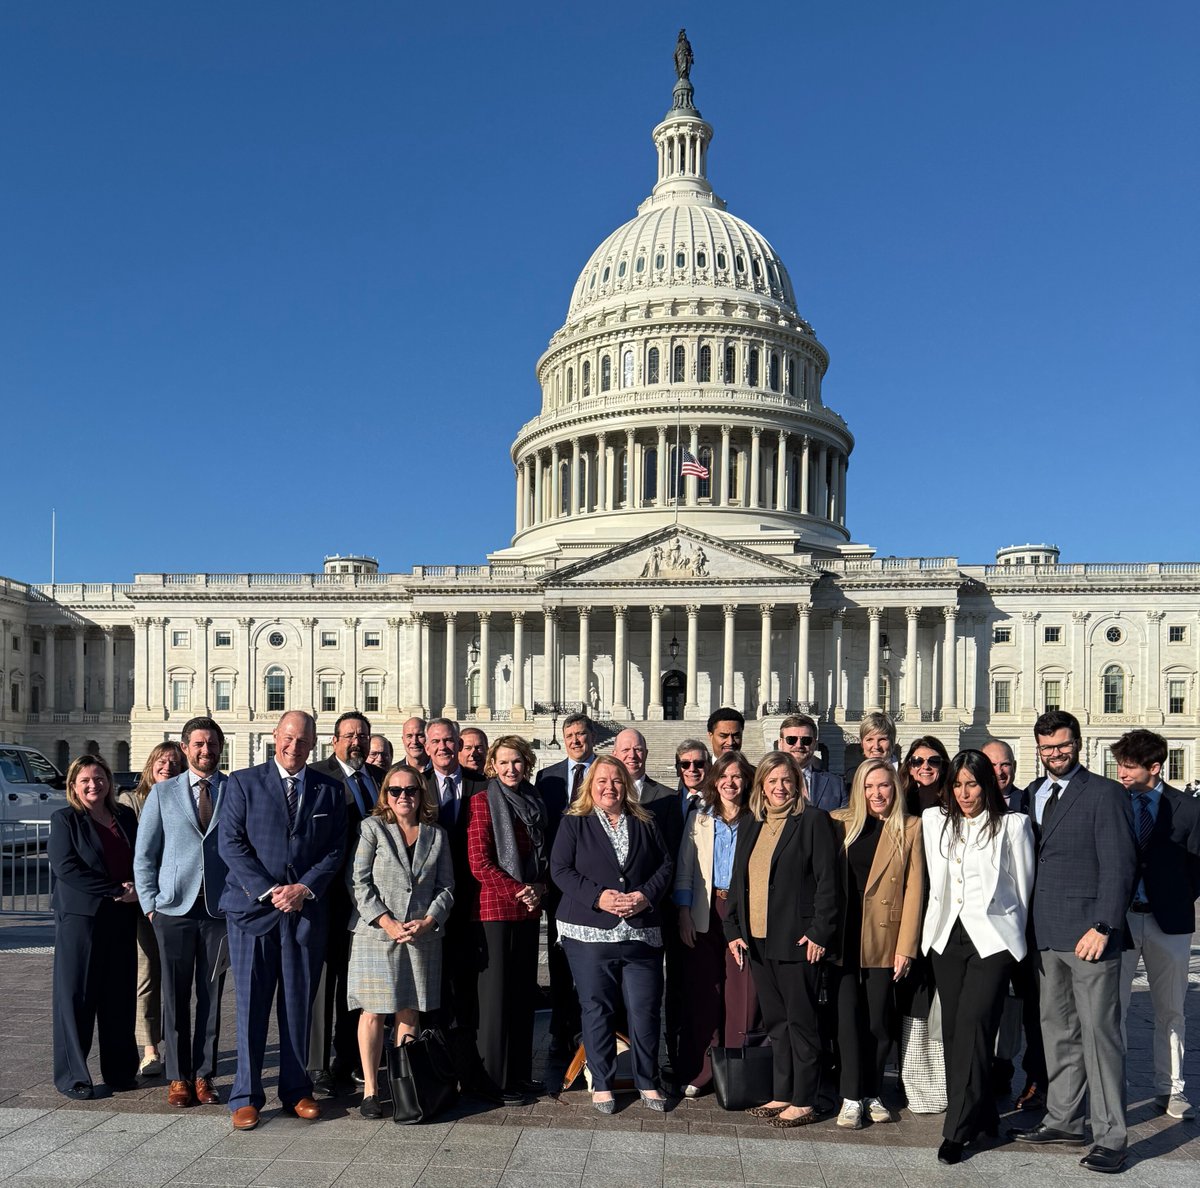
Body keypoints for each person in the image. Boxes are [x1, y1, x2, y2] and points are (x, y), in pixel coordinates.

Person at [1008, 711, 1136, 1176]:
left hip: (1089, 936)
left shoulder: (1104, 793)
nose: (1055, 755)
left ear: (1078, 744)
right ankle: (1064, 1118)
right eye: (1046, 748)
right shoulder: (1030, 795)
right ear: (1037, 749)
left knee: (1100, 1036)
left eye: (1062, 746)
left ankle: (1112, 1136)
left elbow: (1120, 865)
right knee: (1057, 1033)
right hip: (1044, 935)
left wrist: (1104, 925)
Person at [218, 710, 346, 1131]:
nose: (294, 747)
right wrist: (270, 890)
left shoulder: (329, 789)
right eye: (288, 739)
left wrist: (302, 888)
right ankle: (246, 1096)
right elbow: (231, 844)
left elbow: (335, 849)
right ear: (275, 736)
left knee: (298, 1007)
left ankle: (297, 1091)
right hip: (253, 913)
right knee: (251, 1008)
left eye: (304, 741)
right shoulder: (242, 782)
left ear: (315, 744)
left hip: (304, 913)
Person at [922, 751, 1034, 1164]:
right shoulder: (936, 823)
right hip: (946, 938)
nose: (965, 793)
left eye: (972, 784)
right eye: (957, 784)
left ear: (988, 784)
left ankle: (957, 1129)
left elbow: (1023, 888)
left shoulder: (1013, 826)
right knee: (956, 1030)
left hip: (993, 940)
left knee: (972, 1023)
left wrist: (1013, 943)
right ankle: (985, 1113)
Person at [551, 755, 673, 1112]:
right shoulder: (575, 822)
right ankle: (602, 1080)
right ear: (591, 785)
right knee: (597, 1007)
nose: (609, 787)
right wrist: (597, 897)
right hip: (589, 933)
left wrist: (645, 896)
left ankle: (647, 1080)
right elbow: (560, 869)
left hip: (639, 932)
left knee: (645, 1008)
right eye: (602, 780)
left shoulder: (644, 820)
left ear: (627, 785)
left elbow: (665, 865)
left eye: (617, 781)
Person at [724, 751, 840, 1127]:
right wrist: (734, 930)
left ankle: (805, 1098)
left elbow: (828, 883)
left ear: (798, 784)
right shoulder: (752, 825)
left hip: (797, 939)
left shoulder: (813, 821)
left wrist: (819, 931)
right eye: (772, 781)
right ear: (761, 786)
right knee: (776, 1021)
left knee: (801, 1021)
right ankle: (783, 1091)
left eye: (786, 780)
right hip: (758, 941)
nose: (779, 788)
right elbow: (740, 883)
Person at [348, 763, 454, 1118]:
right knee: (374, 1011)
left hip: (421, 936)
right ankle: (371, 1091)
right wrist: (387, 921)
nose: (403, 797)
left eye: (411, 790)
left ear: (421, 794)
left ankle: (403, 1087)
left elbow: (447, 886)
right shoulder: (373, 828)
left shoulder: (436, 835)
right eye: (395, 791)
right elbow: (359, 882)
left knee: (409, 1009)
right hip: (378, 934)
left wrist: (429, 919)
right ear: (386, 796)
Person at [133, 719, 228, 1109]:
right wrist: (151, 906)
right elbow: (145, 854)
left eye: (212, 744)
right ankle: (177, 1077)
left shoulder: (234, 788)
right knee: (174, 995)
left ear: (221, 748)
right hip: (173, 909)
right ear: (186, 747)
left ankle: (204, 1075)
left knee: (211, 996)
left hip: (219, 910)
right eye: (199, 744)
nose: (206, 750)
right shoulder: (163, 793)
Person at [829, 759, 924, 1130]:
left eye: (884, 786)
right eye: (869, 787)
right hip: (844, 936)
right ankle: (851, 1095)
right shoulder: (838, 822)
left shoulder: (910, 827)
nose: (877, 794)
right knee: (847, 1019)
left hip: (885, 936)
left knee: (878, 1020)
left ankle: (873, 1090)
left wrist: (907, 946)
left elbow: (916, 889)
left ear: (895, 789)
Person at [1112, 729, 1200, 1121]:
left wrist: (1177, 898)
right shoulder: (1114, 802)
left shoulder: (1187, 809)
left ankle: (1172, 1090)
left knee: (1170, 1010)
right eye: (1119, 764)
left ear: (1155, 767)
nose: (1121, 773)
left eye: (1129, 767)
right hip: (1122, 918)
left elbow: (1197, 866)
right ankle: (1114, 1090)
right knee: (1114, 1009)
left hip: (1170, 922)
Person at [49, 754, 140, 1099]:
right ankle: (73, 1077)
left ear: (108, 782)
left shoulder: (125, 816)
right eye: (85, 780)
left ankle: (120, 1071)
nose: (93, 785)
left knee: (118, 996)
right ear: (73, 784)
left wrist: (135, 888)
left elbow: (141, 856)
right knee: (77, 997)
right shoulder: (65, 820)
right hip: (81, 919)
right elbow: (66, 867)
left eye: (99, 778)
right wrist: (116, 889)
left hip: (121, 916)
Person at [467, 734, 549, 1101]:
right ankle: (492, 1080)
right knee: (496, 998)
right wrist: (519, 888)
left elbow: (543, 856)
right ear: (492, 767)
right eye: (503, 762)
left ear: (526, 764)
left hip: (529, 908)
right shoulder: (482, 801)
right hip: (495, 910)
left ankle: (518, 1073)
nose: (511, 768)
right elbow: (479, 862)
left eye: (517, 762)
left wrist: (537, 887)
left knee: (521, 996)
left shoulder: (535, 801)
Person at [308, 712, 385, 1095]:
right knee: (324, 981)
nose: (357, 741)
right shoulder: (319, 777)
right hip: (328, 895)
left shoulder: (375, 779)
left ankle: (347, 1057)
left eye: (363, 735)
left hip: (364, 899)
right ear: (334, 740)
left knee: (354, 984)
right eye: (349, 735)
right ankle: (318, 1064)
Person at [673, 750, 759, 1097]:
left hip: (743, 913)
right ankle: (703, 1069)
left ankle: (739, 1071)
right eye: (724, 776)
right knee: (704, 993)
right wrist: (682, 912)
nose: (730, 783)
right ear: (714, 781)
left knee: (742, 995)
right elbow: (685, 870)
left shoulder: (757, 819)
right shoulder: (700, 818)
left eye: (737, 776)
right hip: (705, 911)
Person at [614, 727, 687, 1077]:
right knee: (608, 995)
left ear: (646, 753)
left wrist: (646, 897)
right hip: (610, 911)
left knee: (647, 996)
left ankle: (649, 1065)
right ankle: (614, 1062)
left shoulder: (667, 798)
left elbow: (670, 857)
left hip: (651, 910)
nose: (632, 755)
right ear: (615, 753)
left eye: (638, 749)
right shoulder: (600, 794)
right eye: (626, 749)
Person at [981, 738, 1046, 1106]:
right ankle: (995, 1069)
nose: (999, 772)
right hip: (983, 929)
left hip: (1026, 925)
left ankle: (1036, 1079)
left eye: (1004, 764)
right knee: (989, 1005)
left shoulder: (1031, 803)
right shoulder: (964, 805)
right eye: (991, 766)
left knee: (1031, 1007)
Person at [118, 740, 185, 1079]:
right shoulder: (130, 801)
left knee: (177, 977)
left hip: (177, 899)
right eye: (162, 761)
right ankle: (149, 1049)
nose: (168, 767)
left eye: (174, 762)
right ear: (150, 764)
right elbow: (125, 850)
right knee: (147, 974)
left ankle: (178, 1045)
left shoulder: (184, 796)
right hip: (146, 901)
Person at [421, 717, 487, 1031]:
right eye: (436, 742)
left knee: (468, 983)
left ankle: (469, 1059)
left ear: (458, 745)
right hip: (427, 898)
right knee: (432, 983)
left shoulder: (484, 784)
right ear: (425, 746)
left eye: (448, 741)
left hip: (473, 897)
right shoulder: (414, 785)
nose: (443, 747)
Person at [536, 712, 596, 1056]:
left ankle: (591, 1028)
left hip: (594, 879)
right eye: (570, 734)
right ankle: (561, 1028)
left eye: (581, 734)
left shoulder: (605, 772)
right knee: (559, 957)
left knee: (593, 957)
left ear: (591, 736)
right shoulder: (548, 778)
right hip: (559, 881)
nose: (576, 740)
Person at [779, 714, 846, 811]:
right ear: (780, 743)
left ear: (814, 744)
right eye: (791, 740)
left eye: (806, 740)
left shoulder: (835, 784)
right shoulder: (766, 782)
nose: (799, 745)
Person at [900, 735, 951, 816]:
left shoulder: (953, 804)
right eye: (917, 761)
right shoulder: (899, 804)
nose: (925, 767)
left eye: (934, 761)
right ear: (909, 768)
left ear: (943, 767)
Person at [675, 738, 710, 819]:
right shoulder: (668, 802)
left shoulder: (720, 801)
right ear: (678, 769)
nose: (692, 769)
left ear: (709, 767)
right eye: (685, 764)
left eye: (699, 763)